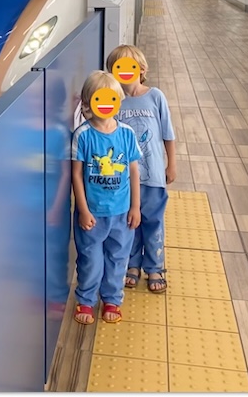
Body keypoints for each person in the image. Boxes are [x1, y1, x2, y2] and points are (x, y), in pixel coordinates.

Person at [71, 71, 141, 325]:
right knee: (90, 258)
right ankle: (86, 299)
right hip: (92, 213)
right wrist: (83, 210)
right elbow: (76, 175)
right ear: (89, 102)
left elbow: (133, 171)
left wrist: (135, 206)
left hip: (122, 213)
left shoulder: (127, 134)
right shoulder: (83, 135)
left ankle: (112, 298)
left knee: (118, 258)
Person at [105, 45, 176, 294]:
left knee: (153, 222)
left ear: (141, 69)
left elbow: (168, 133)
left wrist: (171, 164)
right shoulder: (114, 102)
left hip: (153, 175)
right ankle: (132, 264)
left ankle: (155, 267)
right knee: (130, 221)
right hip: (124, 178)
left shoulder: (155, 96)